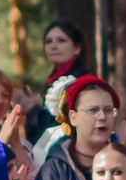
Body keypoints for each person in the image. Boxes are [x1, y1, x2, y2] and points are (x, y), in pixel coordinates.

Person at [26, 21, 92, 149]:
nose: (53, 46)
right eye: (48, 41)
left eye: (61, 40)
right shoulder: (54, 79)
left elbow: (64, 125)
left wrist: (32, 110)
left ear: (77, 48)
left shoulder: (81, 81)